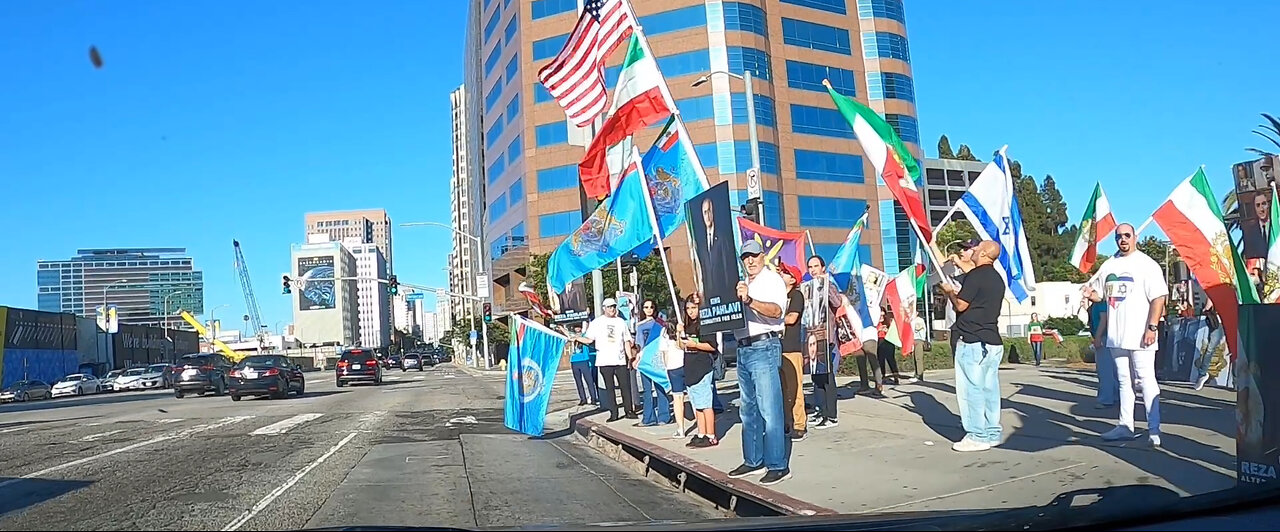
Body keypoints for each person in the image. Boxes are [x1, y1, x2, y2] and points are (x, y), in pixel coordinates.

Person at [1084, 222, 1169, 446]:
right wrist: (1089, 293)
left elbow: (1158, 298)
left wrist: (1152, 327)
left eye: (1127, 235)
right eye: (1119, 236)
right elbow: (1101, 295)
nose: (1123, 239)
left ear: (1135, 237)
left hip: (1141, 334)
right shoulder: (1109, 265)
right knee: (1123, 381)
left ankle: (1154, 429)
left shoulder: (1146, 264)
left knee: (1145, 379)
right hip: (1116, 335)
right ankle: (1125, 425)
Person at [727, 240, 791, 485]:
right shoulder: (743, 284)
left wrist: (749, 301)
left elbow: (777, 311)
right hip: (743, 349)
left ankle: (777, 463)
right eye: (745, 257)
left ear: (762, 256)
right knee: (748, 409)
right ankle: (753, 459)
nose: (750, 261)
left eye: (754, 255)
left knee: (770, 409)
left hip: (764, 345)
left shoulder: (771, 279)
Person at [940, 240, 1006, 452]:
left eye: (977, 249)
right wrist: (958, 261)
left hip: (972, 340)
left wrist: (949, 292)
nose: (973, 251)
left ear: (985, 253)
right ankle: (992, 431)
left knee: (971, 390)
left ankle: (977, 434)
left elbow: (961, 305)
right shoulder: (996, 278)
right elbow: (970, 273)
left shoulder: (976, 276)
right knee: (989, 389)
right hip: (992, 340)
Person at [573, 298, 637, 422]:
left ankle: (629, 410)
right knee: (610, 388)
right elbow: (589, 339)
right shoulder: (597, 323)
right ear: (604, 308)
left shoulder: (621, 322)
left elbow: (626, 341)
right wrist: (576, 338)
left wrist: (630, 358)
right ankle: (614, 412)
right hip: (604, 360)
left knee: (625, 386)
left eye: (613, 306)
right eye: (609, 307)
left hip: (620, 360)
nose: (611, 309)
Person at [679, 294, 719, 448]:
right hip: (690, 367)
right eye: (688, 308)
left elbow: (712, 346)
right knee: (697, 404)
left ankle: (710, 434)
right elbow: (682, 346)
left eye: (694, 308)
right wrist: (679, 333)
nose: (691, 311)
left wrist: (694, 345)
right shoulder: (687, 325)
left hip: (702, 366)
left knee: (706, 404)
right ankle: (701, 432)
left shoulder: (706, 325)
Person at [778, 263, 807, 441]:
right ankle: (786, 422)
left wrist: (774, 317)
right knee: (781, 390)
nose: (781, 274)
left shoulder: (796, 295)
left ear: (793, 279)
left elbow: (792, 318)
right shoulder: (778, 295)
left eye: (785, 272)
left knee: (795, 388)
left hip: (791, 348)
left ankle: (799, 424)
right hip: (776, 348)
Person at [690, 197, 738, 301]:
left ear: (713, 213)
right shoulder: (702, 244)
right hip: (709, 296)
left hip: (724, 294)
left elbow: (727, 268)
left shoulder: (722, 238)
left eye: (709, 211)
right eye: (705, 212)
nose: (707, 216)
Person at [633, 300, 672, 427]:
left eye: (651, 307)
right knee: (647, 390)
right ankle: (648, 418)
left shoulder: (660, 323)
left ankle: (664, 416)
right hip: (644, 360)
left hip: (657, 358)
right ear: (642, 309)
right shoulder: (639, 325)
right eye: (646, 307)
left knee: (660, 387)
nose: (649, 309)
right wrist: (636, 358)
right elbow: (639, 345)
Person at [1088, 298, 1118, 408]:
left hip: (1104, 337)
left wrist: (1098, 336)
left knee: (1105, 370)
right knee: (1112, 369)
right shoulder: (1103, 302)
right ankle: (1115, 396)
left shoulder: (1101, 302)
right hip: (1109, 337)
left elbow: (1103, 319)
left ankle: (1105, 399)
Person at [661, 320, 689, 438]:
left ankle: (680, 429)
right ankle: (701, 428)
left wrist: (666, 367)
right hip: (686, 364)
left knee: (677, 398)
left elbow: (664, 353)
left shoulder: (664, 332)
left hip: (673, 367)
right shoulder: (685, 329)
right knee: (693, 396)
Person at [1194, 297, 1225, 391]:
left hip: (1217, 321)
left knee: (1210, 348)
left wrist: (1205, 309)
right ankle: (1202, 373)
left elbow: (1208, 305)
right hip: (1218, 321)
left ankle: (1202, 373)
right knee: (1210, 348)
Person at [569, 324, 598, 406]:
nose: (577, 329)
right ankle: (583, 399)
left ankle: (593, 398)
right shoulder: (572, 336)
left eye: (579, 327)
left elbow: (587, 327)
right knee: (578, 381)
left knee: (589, 380)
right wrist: (560, 327)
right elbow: (566, 333)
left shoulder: (585, 335)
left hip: (584, 360)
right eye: (576, 327)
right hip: (574, 361)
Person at [1243, 191, 1272, 259]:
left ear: (1268, 205)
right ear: (1255, 208)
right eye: (1258, 205)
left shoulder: (1277, 226)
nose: (1261, 209)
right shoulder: (1249, 233)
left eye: (1263, 204)